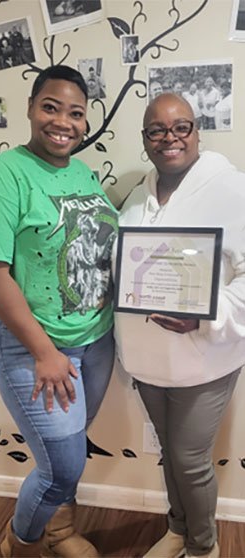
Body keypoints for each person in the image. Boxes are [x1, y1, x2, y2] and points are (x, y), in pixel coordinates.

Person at [0, 64, 118, 558]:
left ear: (85, 121)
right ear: (31, 110)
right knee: (60, 467)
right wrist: (45, 352)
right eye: (51, 108)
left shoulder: (81, 171)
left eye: (75, 113)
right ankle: (22, 546)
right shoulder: (0, 175)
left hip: (95, 339)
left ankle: (59, 532)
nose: (64, 122)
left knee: (72, 450)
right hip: (35, 347)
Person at [114, 93, 245, 558]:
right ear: (145, 139)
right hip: (147, 361)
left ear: (197, 131)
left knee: (190, 462)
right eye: (156, 130)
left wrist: (208, 314)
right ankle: (177, 528)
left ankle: (202, 546)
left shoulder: (233, 189)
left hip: (203, 360)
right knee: (171, 454)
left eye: (180, 127)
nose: (169, 138)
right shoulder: (136, 195)